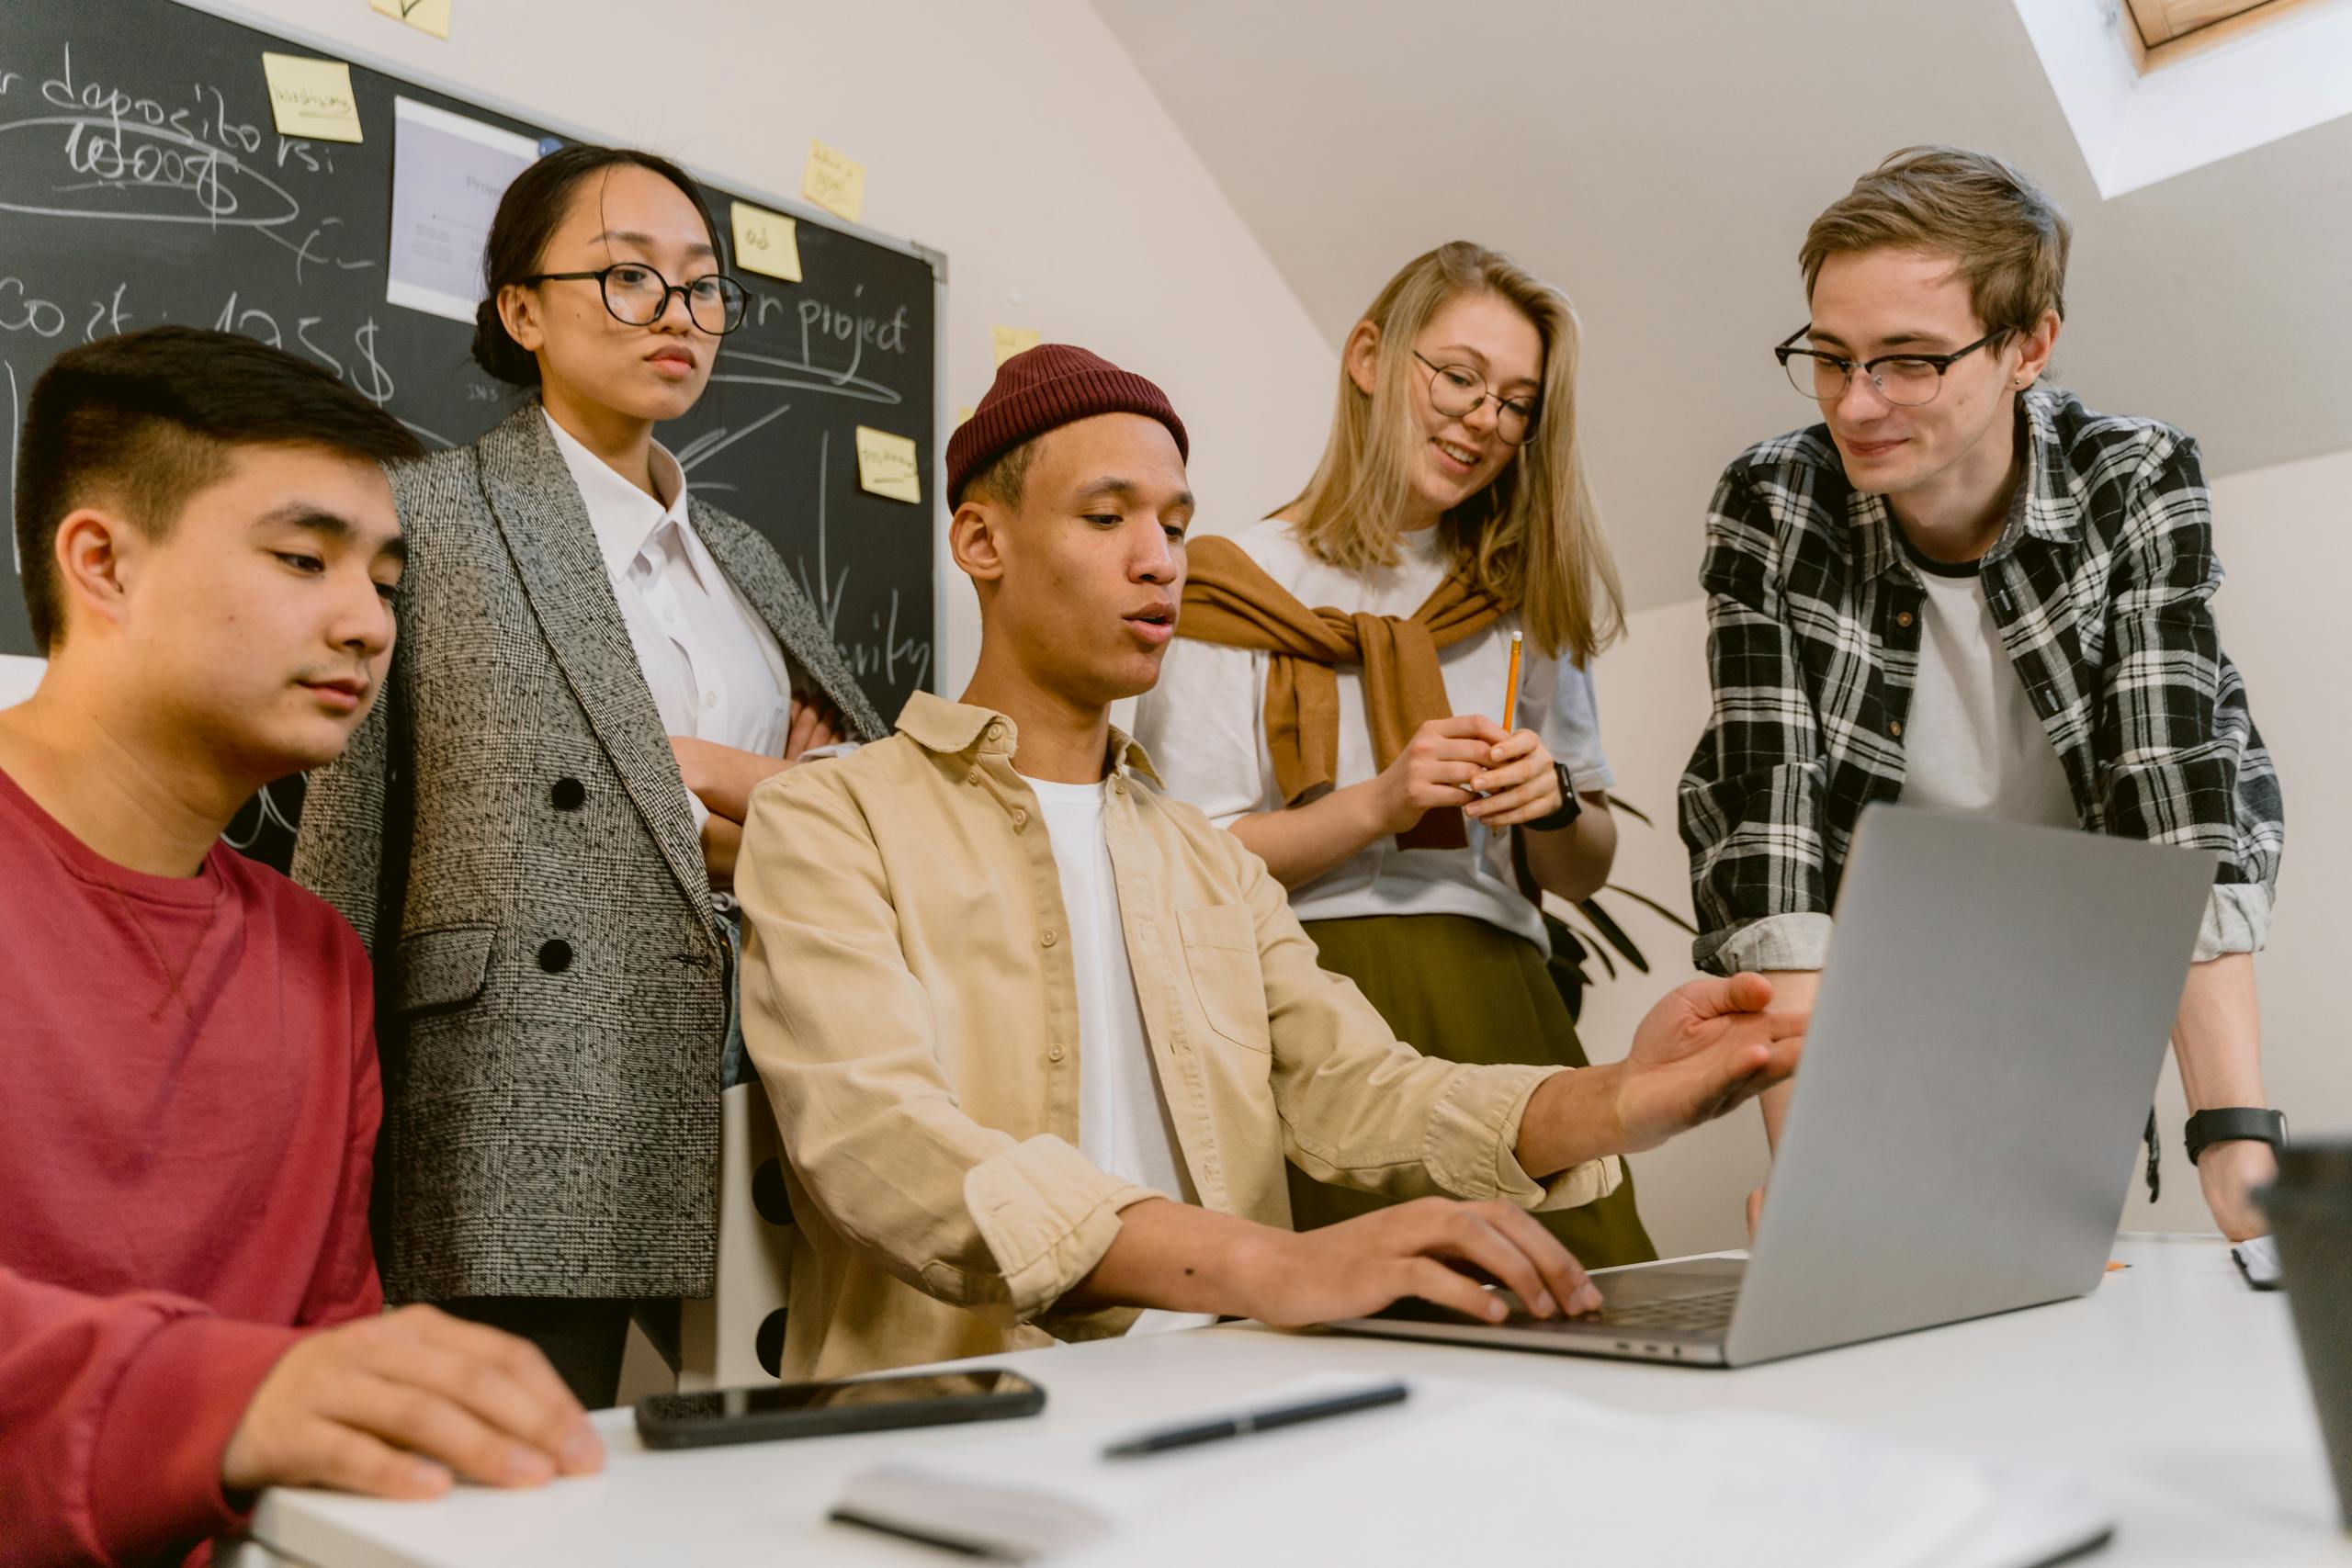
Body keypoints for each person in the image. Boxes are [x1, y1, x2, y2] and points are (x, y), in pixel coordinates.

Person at [734, 344, 1804, 1381]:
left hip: (1228, 1396)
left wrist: (1616, 1097)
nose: (1158, 559)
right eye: (1106, 519)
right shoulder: (831, 821)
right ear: (981, 542)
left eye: (1176, 524)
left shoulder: (1204, 860)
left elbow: (1356, 1091)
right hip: (956, 1426)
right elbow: (883, 1147)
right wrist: (1273, 1265)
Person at [291, 144, 883, 1407]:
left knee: (731, 1497)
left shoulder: (744, 556)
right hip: (522, 1099)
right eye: (629, 278)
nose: (677, 314)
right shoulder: (423, 514)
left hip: (765, 1088)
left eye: (702, 285)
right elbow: (342, 850)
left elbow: (870, 801)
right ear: (521, 309)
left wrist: (804, 807)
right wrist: (313, 1150)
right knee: (512, 1493)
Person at [0, 327, 599, 1568]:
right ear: (101, 561)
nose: (367, 624)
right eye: (300, 557)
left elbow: (333, 1341)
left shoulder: (315, 959)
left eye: (384, 579)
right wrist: (223, 1394)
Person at [1678, 146, 2286, 1240]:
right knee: (1880, 1266)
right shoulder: (1770, 501)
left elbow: (2174, 785)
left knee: (2054, 1273)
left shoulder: (2135, 478)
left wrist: (2237, 1152)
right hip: (1874, 968)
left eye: (1908, 361)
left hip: (2072, 945)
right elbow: (1772, 825)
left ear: (2028, 345)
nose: (1856, 403)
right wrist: (1812, 1164)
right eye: (1830, 356)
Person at [1136, 241, 1656, 1267]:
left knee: (1589, 1313)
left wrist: (1552, 804)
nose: (1485, 420)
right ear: (1370, 357)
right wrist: (1378, 805)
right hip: (1308, 1009)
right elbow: (1186, 867)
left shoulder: (1522, 601)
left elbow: (1583, 865)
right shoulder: (1225, 587)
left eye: (1516, 403)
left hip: (1502, 995)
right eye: (1459, 377)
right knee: (1351, 1332)